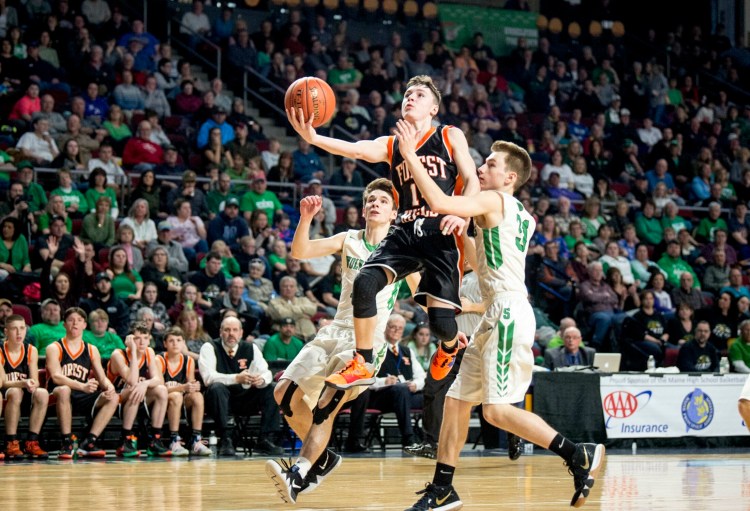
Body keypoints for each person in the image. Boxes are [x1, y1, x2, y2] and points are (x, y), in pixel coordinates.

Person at [397, 137, 605, 510]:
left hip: (507, 311)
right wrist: (464, 231)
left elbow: (442, 202)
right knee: (457, 402)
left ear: (509, 176)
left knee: (494, 410)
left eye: (490, 164)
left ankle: (577, 453)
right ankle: (443, 488)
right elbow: (482, 265)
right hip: (496, 310)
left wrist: (411, 156)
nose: (481, 167)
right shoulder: (519, 212)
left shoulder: (495, 200)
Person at [287, 74, 479, 390]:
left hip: (439, 229)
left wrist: (462, 212)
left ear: (434, 108)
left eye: (419, 94)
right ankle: (362, 361)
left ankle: (448, 346)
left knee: (442, 324)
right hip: (404, 228)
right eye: (407, 94)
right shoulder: (392, 144)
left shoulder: (448, 135)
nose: (410, 98)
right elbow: (357, 150)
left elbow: (471, 179)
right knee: (364, 282)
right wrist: (315, 138)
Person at [266, 179, 417, 503]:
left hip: (366, 341)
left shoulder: (401, 251)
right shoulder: (349, 239)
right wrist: (306, 217)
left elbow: (425, 293)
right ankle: (323, 457)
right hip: (335, 329)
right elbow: (301, 251)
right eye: (371, 200)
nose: (375, 204)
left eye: (382, 201)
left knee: (328, 399)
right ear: (363, 210)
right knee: (284, 393)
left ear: (394, 213)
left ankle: (300, 471)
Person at [199, 316, 284, 456]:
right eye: (227, 330)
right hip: (220, 401)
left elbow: (267, 372)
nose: (231, 333)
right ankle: (226, 439)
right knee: (216, 388)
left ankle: (265, 439)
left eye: (234, 330)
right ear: (220, 332)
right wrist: (236, 378)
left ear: (241, 333)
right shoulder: (210, 347)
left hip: (245, 399)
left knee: (272, 388)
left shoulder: (251, 348)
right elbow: (208, 378)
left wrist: (261, 380)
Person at [46, 307, 119, 458]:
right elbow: (56, 377)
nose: (75, 324)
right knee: (64, 389)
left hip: (81, 395)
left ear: (85, 325)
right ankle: (66, 441)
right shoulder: (54, 347)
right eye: (71, 320)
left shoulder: (92, 349)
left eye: (79, 321)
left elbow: (101, 377)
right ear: (64, 324)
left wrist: (110, 386)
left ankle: (90, 441)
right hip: (57, 395)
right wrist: (82, 386)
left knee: (114, 397)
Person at [106, 323, 170, 457]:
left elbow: (158, 379)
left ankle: (155, 440)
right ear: (129, 339)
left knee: (161, 390)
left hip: (137, 396)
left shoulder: (149, 352)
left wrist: (145, 383)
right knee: (134, 388)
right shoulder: (118, 354)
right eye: (137, 338)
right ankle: (125, 439)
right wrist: (134, 352)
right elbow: (132, 380)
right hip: (114, 397)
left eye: (145, 338)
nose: (142, 342)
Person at [157, 327, 213, 456]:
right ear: (165, 344)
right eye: (171, 340)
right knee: (176, 395)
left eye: (179, 340)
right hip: (161, 403)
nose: (175, 343)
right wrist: (181, 388)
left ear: (183, 343)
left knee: (197, 396)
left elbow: (190, 386)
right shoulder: (158, 359)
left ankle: (196, 440)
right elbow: (160, 389)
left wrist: (194, 386)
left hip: (182, 400)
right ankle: (174, 440)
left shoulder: (188, 361)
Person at [1, 314, 50, 460]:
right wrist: (23, 383)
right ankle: (11, 442)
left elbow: (35, 380)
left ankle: (32, 442)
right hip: (5, 394)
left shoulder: (31, 350)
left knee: (42, 393)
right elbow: (2, 382)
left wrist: (32, 384)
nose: (19, 333)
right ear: (5, 332)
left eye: (22, 328)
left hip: (24, 392)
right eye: (14, 329)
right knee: (15, 392)